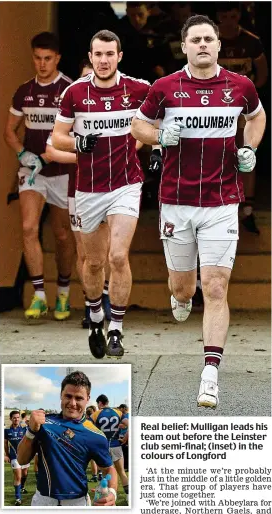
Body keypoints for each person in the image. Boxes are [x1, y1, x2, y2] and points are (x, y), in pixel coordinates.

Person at [131, 14, 266, 409]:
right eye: (196, 39)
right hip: (177, 202)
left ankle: (210, 375)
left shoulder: (240, 86)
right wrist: (159, 135)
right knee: (183, 287)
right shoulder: (164, 87)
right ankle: (180, 295)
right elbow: (138, 127)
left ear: (219, 46)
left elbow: (256, 117)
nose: (203, 44)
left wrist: (249, 149)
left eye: (209, 38)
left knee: (217, 287)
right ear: (185, 46)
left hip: (223, 203)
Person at [52, 30, 150, 359]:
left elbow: (161, 119)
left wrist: (159, 144)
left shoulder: (138, 89)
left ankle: (117, 329)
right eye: (98, 54)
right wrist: (79, 142)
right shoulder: (74, 93)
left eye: (110, 54)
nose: (104, 60)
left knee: (117, 257)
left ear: (119, 56)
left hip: (125, 184)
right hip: (89, 189)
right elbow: (57, 138)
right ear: (90, 56)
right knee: (93, 264)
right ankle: (95, 317)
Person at [3, 31, 75, 320]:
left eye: (48, 58)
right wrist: (23, 154)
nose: (42, 64)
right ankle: (39, 296)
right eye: (37, 58)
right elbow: (9, 130)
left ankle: (63, 294)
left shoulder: (70, 89)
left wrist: (50, 153)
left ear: (57, 58)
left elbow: (77, 133)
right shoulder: (24, 91)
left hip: (62, 171)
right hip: (32, 173)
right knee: (29, 228)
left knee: (61, 235)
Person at [45, 56, 111, 328]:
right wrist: (82, 156)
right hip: (79, 189)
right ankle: (91, 304)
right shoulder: (71, 107)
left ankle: (107, 299)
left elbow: (137, 139)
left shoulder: (115, 105)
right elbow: (50, 149)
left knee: (110, 251)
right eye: (84, 77)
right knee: (85, 252)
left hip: (114, 188)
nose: (88, 81)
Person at [17, 371, 117, 506]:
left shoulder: (96, 435)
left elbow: (109, 469)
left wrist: (112, 492)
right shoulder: (44, 423)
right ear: (61, 395)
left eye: (79, 398)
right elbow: (21, 459)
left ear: (88, 398)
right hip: (43, 501)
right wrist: (30, 431)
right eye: (68, 396)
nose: (73, 403)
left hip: (77, 502)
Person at [217, 2, 268, 234]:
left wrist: (248, 96)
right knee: (216, 156)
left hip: (243, 108)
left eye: (233, 15)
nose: (229, 20)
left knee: (246, 152)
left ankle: (246, 209)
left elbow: (263, 74)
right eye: (225, 16)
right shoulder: (210, 40)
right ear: (218, 17)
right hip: (214, 110)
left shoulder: (252, 41)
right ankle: (220, 205)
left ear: (239, 15)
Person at [92, 395, 129, 503]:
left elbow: (88, 427)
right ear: (107, 402)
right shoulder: (118, 412)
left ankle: (107, 497)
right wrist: (126, 437)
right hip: (116, 445)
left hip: (102, 447)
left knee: (106, 474)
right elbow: (129, 425)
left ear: (100, 403)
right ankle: (128, 496)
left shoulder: (96, 414)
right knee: (121, 472)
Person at [4, 411, 30, 505]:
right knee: (18, 476)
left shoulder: (24, 429)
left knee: (25, 473)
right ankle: (18, 498)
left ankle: (22, 487)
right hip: (14, 457)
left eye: (18, 417)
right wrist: (6, 455)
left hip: (25, 456)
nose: (16, 419)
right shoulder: (6, 431)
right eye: (14, 417)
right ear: (11, 418)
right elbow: (5, 444)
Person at [117, 403, 129, 472]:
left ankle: (127, 466)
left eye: (120, 408)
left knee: (126, 451)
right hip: (123, 435)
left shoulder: (126, 416)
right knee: (124, 452)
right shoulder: (123, 416)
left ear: (124, 408)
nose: (119, 410)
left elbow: (124, 426)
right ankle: (125, 466)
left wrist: (120, 425)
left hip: (125, 435)